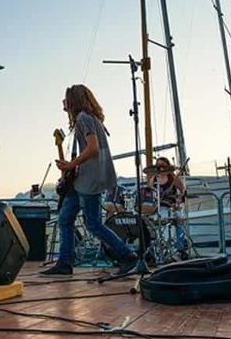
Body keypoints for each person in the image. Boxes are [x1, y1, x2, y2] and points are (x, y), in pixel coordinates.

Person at [41, 84, 137, 276]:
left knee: (93, 224)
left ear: (73, 100)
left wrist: (71, 165)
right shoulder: (90, 118)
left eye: (66, 99)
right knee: (65, 218)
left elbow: (92, 148)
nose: (63, 102)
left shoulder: (83, 118)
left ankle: (128, 257)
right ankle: (65, 262)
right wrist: (73, 165)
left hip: (89, 179)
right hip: (82, 179)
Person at [147, 157, 188, 260]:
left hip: (172, 206)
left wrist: (178, 201)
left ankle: (180, 248)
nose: (161, 168)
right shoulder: (154, 179)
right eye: (158, 165)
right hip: (159, 207)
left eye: (163, 165)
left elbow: (183, 190)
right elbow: (149, 195)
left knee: (179, 218)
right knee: (154, 221)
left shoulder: (172, 177)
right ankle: (158, 248)